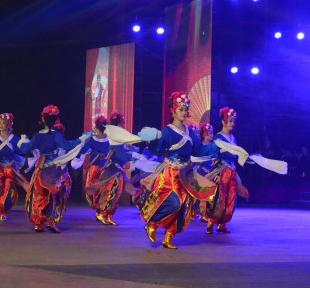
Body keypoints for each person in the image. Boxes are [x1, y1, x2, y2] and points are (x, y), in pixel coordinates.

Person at [139, 92, 221, 249]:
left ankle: (169, 237)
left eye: (186, 109)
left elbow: (199, 151)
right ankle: (152, 223)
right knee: (175, 202)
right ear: (173, 111)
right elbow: (158, 151)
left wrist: (216, 145)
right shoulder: (167, 131)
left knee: (183, 206)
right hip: (171, 173)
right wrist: (154, 142)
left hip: (186, 173)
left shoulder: (190, 132)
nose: (184, 112)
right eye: (181, 109)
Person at [18, 105, 90, 233]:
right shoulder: (56, 135)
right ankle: (50, 222)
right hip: (53, 170)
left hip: (41, 169)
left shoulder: (37, 135)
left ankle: (38, 223)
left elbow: (25, 149)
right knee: (53, 196)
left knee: (40, 196)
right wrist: (81, 139)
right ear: (56, 120)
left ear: (43, 119)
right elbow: (67, 145)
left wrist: (22, 142)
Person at [84, 110, 138, 226]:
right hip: (112, 168)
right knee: (110, 192)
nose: (123, 125)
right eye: (122, 123)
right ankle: (102, 213)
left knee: (116, 193)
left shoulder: (113, 136)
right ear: (119, 124)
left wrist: (130, 151)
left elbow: (115, 152)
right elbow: (119, 154)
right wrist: (133, 156)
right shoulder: (114, 137)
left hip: (115, 168)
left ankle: (108, 215)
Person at [202, 108, 249, 234]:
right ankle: (211, 222)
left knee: (231, 198)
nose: (233, 123)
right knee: (219, 198)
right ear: (224, 121)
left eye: (234, 121)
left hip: (232, 170)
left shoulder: (233, 138)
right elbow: (214, 153)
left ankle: (222, 224)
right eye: (230, 121)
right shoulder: (219, 137)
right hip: (222, 171)